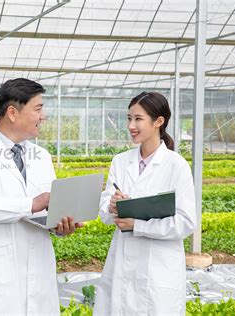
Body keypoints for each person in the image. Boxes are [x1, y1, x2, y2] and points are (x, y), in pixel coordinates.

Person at [0, 78, 80, 315]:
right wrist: (30, 204)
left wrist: (60, 226)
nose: (43, 116)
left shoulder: (41, 156)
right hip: (0, 274)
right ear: (12, 113)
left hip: (40, 272)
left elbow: (47, 209)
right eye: (38, 109)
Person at [94, 92, 197, 315]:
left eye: (138, 119)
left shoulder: (175, 165)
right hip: (121, 265)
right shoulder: (120, 161)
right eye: (129, 118)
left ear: (159, 121)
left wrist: (137, 225)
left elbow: (186, 222)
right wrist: (112, 206)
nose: (131, 125)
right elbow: (103, 211)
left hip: (158, 270)